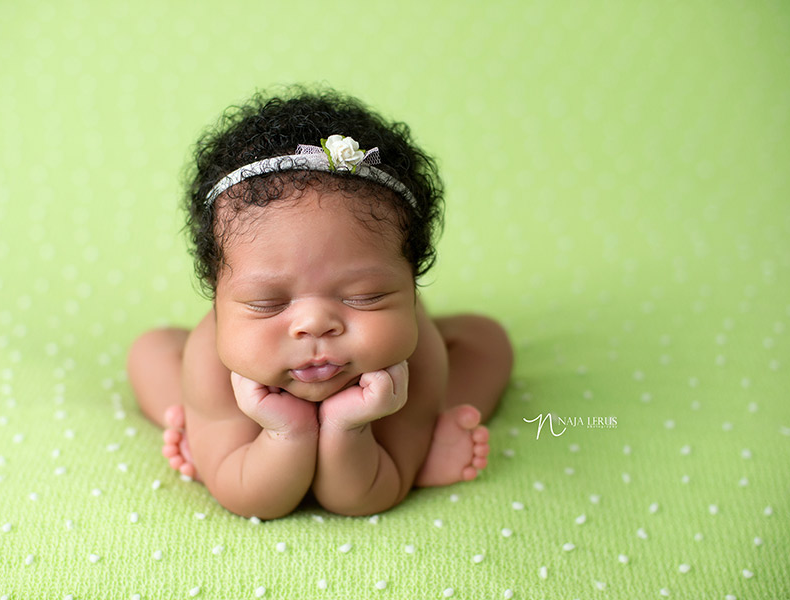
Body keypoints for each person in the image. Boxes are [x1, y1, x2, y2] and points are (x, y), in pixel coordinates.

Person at [127, 87, 513, 519]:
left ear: (412, 282)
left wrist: (351, 425)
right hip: (236, 408)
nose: (314, 324)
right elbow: (252, 499)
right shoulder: (213, 359)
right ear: (216, 295)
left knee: (485, 339)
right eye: (267, 302)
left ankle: (422, 438)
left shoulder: (414, 355)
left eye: (365, 297)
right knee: (152, 350)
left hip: (383, 420)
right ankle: (208, 438)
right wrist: (285, 433)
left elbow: (364, 497)